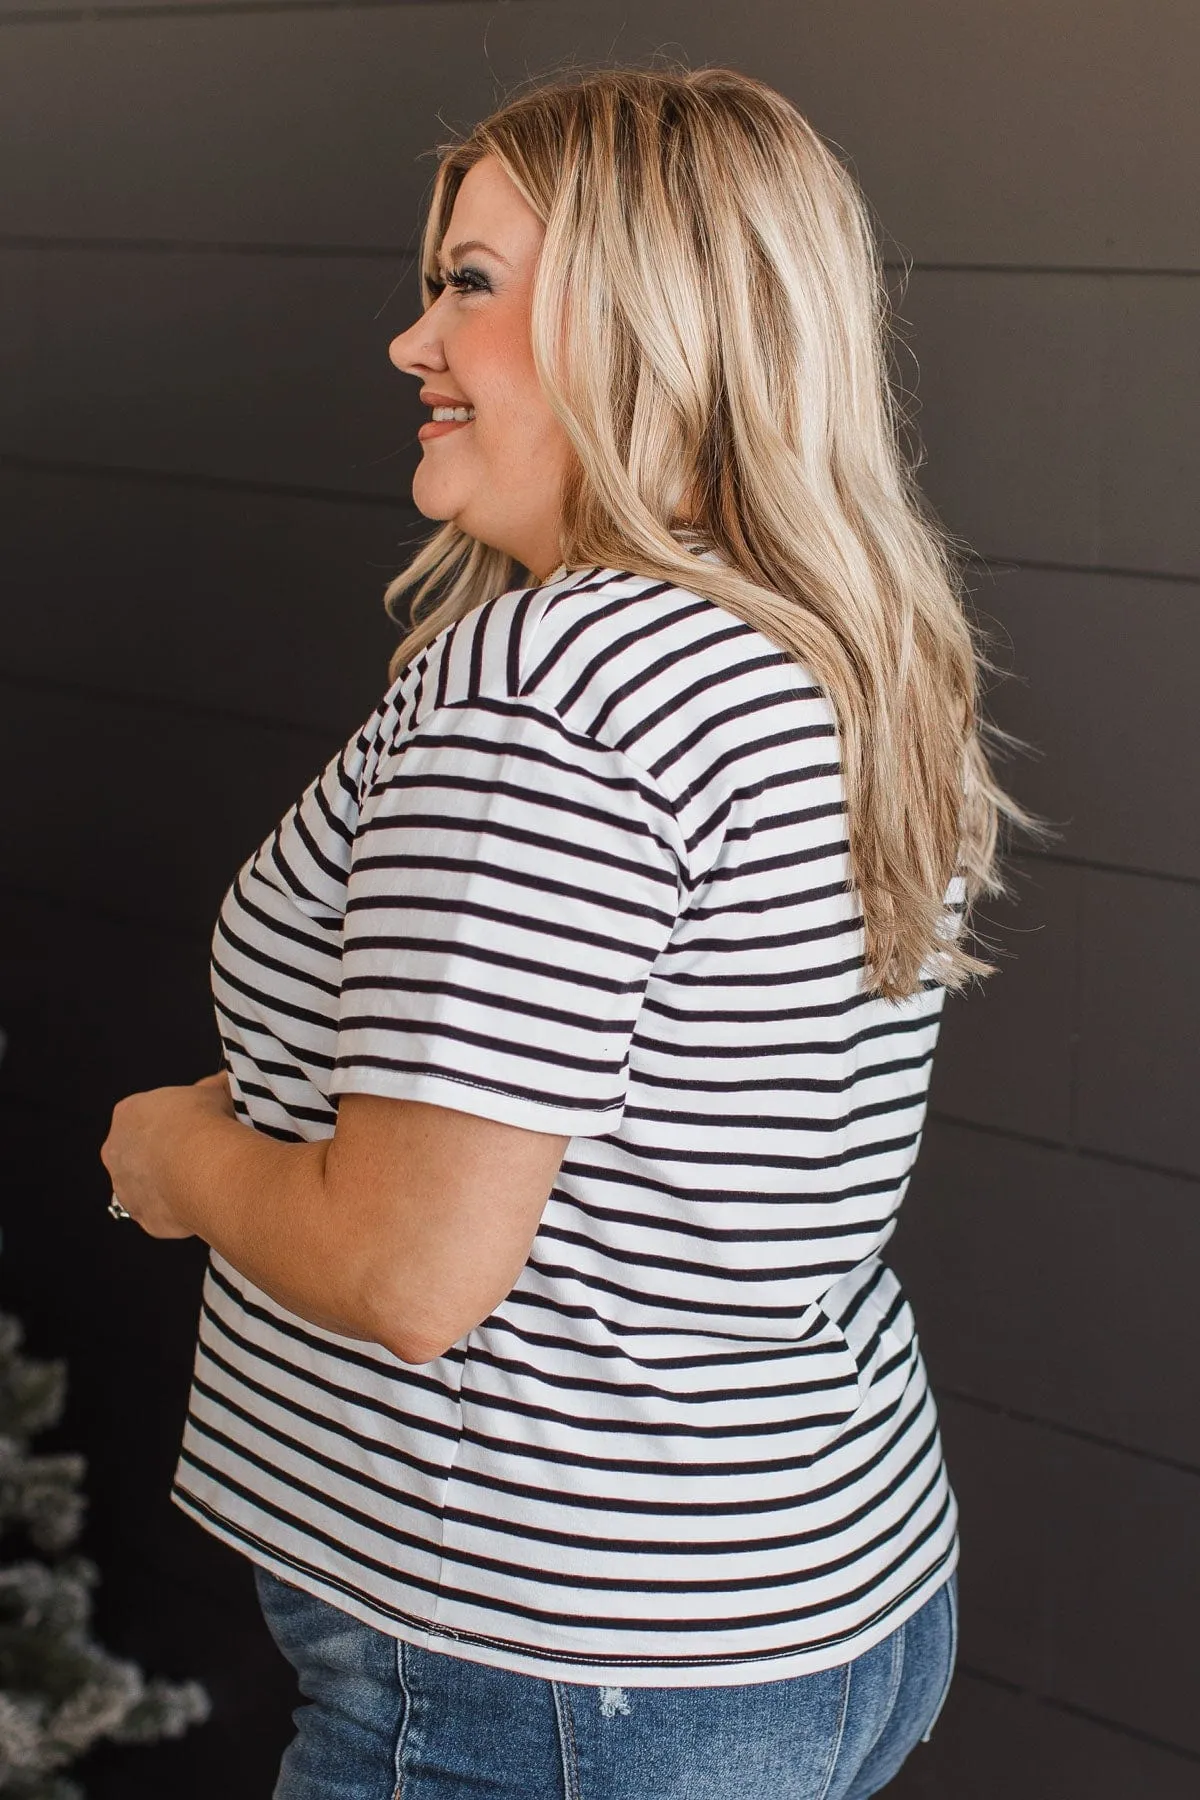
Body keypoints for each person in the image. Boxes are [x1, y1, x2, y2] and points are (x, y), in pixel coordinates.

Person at [100, 64, 1028, 1800]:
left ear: (658, 318)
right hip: (819, 1592)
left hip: (539, 1660)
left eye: (469, 281)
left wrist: (171, 1157)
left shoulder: (557, 689)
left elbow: (409, 1271)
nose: (410, 344)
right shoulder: (837, 656)